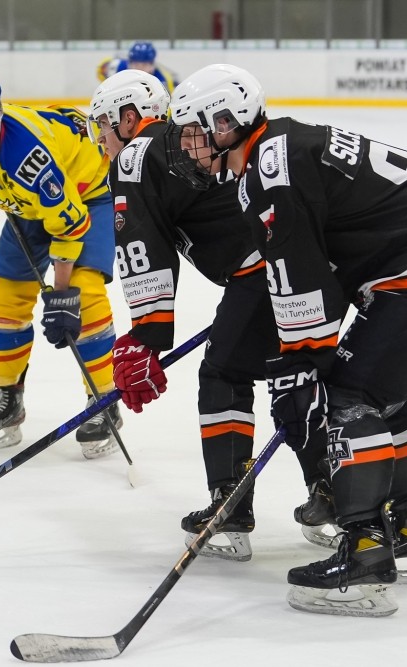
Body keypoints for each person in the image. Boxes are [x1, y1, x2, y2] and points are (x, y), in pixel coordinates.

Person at [165, 64, 407, 616]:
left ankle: (366, 553)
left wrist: (302, 371)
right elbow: (314, 268)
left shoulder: (268, 174)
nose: (187, 146)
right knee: (378, 386)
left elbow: (301, 276)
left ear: (226, 123)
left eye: (193, 132)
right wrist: (301, 363)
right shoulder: (276, 151)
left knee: (349, 394)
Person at [89, 69, 328, 561]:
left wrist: (146, 336)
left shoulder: (135, 156)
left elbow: (143, 251)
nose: (101, 140)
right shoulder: (185, 142)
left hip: (260, 272)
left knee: (224, 374)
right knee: (296, 376)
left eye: (103, 126)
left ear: (128, 118)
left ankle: (231, 508)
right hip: (293, 266)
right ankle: (336, 496)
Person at [0, 69, 123, 459]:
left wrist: (61, 294)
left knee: (85, 293)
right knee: (6, 295)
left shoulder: (30, 160)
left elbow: (69, 223)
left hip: (87, 194)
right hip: (29, 204)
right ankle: (8, 398)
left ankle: (104, 399)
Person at [96, 41, 179, 95]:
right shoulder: (117, 67)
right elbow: (101, 72)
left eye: (144, 65)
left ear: (152, 65)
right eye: (136, 64)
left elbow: (167, 105)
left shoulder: (163, 80)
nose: (139, 69)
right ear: (129, 63)